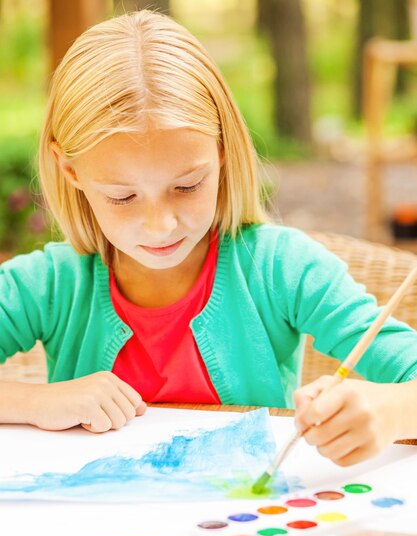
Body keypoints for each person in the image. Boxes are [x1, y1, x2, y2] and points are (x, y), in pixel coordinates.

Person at [0, 10, 416, 467]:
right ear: (70, 170)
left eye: (187, 186)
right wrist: (36, 402)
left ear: (222, 151)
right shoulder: (48, 284)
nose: (161, 225)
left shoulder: (283, 270)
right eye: (122, 197)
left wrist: (393, 410)